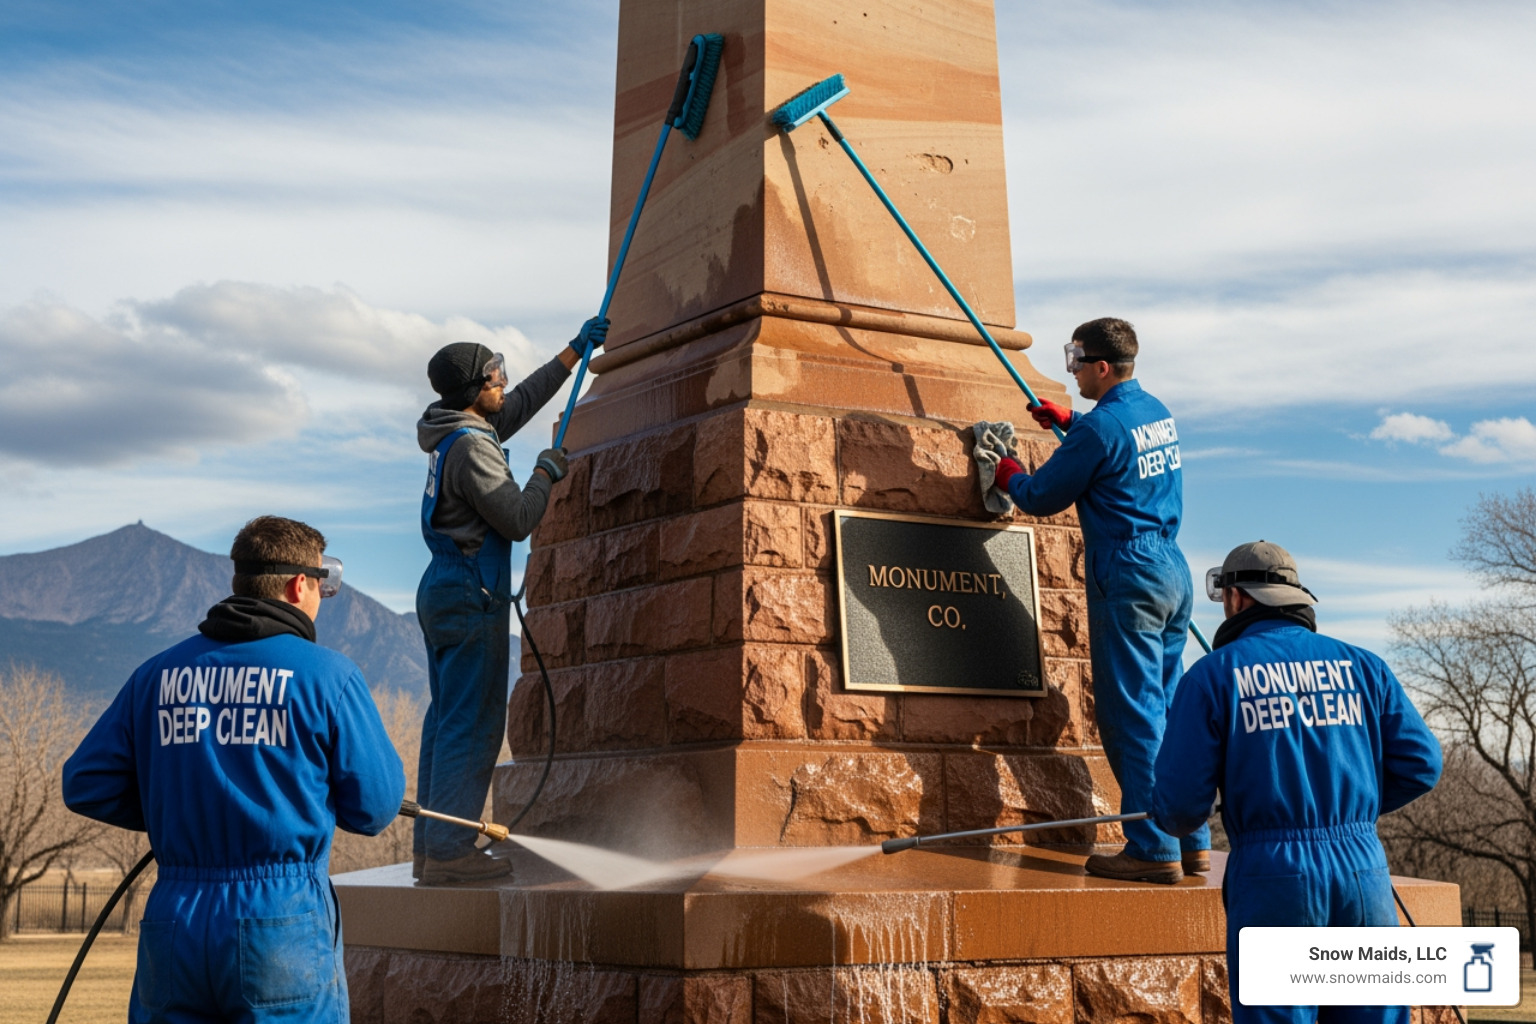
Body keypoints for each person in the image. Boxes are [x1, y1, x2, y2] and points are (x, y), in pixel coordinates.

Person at [63, 516, 406, 1024]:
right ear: (299, 585)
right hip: (281, 919)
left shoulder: (157, 675)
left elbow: (84, 783)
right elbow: (375, 808)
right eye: (321, 584)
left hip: (174, 921)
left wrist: (182, 808)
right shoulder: (329, 675)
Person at [1152, 540, 1441, 1024]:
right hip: (1363, 873)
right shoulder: (1364, 666)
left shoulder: (1213, 677)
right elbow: (1422, 764)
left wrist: (1164, 809)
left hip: (1274, 877)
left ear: (1238, 598)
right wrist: (1353, 810)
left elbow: (1181, 807)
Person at [993, 317, 1210, 882]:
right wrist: (1070, 422)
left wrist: (1009, 473)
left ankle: (1152, 849)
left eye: (1077, 361)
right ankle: (1193, 842)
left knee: (1131, 716)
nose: (1073, 371)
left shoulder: (1101, 430)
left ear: (1102, 367)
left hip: (1130, 572)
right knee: (1165, 709)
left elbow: (1041, 496)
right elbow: (1116, 453)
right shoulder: (1154, 412)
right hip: (1172, 570)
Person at [413, 315, 607, 885]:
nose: (504, 382)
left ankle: (434, 845)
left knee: (447, 721)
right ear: (475, 392)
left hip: (448, 587)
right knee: (471, 726)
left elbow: (516, 405)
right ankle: (450, 851)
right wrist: (546, 473)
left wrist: (574, 351)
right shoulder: (473, 448)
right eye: (496, 376)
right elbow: (519, 519)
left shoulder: (458, 428)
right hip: (471, 592)